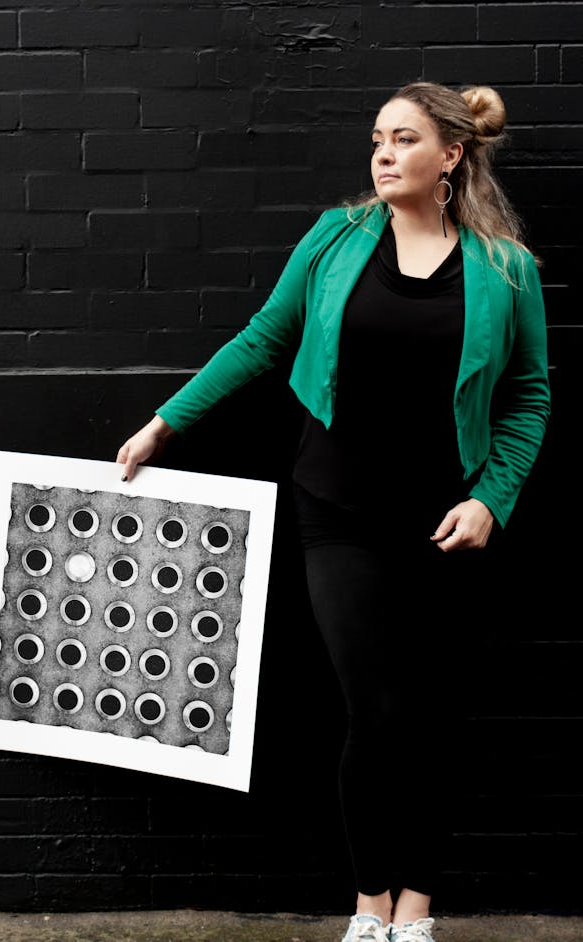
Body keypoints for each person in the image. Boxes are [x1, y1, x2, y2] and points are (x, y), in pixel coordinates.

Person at [114, 82, 551, 942]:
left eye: (404, 140)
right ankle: (369, 905)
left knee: (430, 718)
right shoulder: (336, 239)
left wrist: (491, 501)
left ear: (451, 157)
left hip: (444, 521)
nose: (383, 154)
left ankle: (417, 913)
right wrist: (165, 424)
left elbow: (528, 396)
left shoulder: (507, 270)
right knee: (373, 710)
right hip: (338, 509)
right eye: (378, 140)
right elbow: (261, 340)